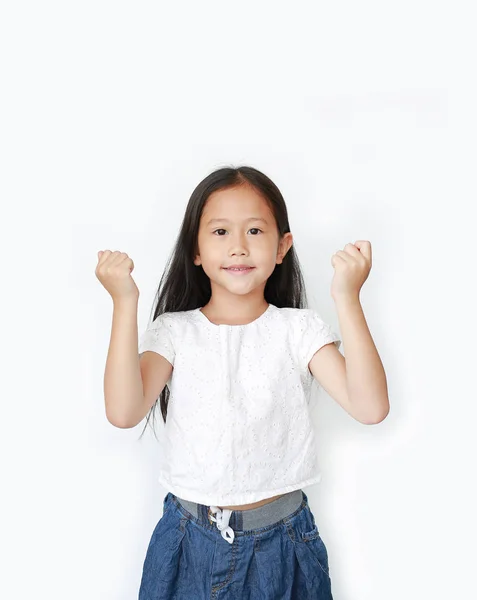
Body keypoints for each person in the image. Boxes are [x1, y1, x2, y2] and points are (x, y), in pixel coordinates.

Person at [95, 165, 389, 599]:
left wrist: (347, 296)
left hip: (284, 544)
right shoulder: (174, 332)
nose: (237, 246)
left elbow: (370, 407)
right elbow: (123, 412)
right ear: (195, 249)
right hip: (187, 543)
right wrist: (124, 302)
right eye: (219, 232)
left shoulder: (298, 330)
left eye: (254, 230)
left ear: (281, 246)